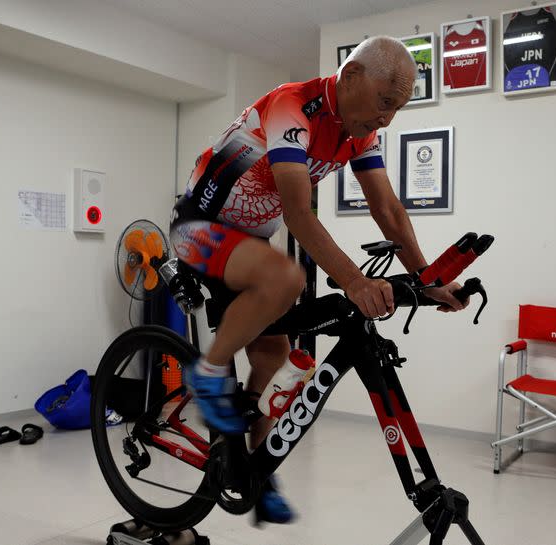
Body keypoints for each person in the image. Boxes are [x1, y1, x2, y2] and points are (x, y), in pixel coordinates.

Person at [170, 36, 468, 524]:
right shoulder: (294, 106)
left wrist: (430, 278)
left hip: (247, 245)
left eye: (398, 108)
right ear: (350, 78)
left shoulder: (357, 131)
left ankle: (254, 475)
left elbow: (389, 211)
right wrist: (353, 281)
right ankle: (206, 373)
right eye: (385, 102)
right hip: (198, 230)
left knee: (274, 359)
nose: (388, 118)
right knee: (287, 279)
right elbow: (297, 211)